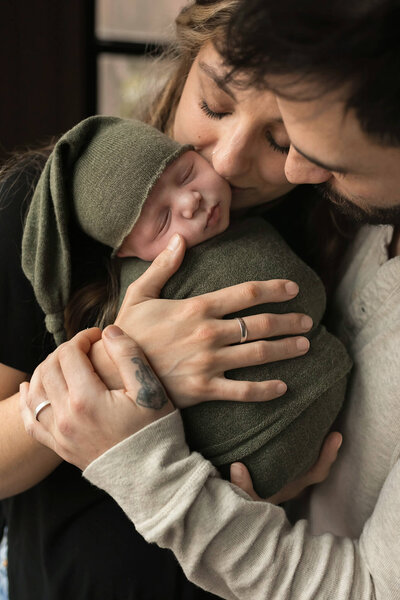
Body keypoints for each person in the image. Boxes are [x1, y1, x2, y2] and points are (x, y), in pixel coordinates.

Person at [20, 0, 400, 598]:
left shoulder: (339, 222)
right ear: (188, 60)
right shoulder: (69, 207)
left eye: (283, 140)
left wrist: (265, 495)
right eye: (214, 105)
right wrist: (127, 362)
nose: (224, 162)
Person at [22, 114, 350, 497]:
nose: (191, 201)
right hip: (234, 464)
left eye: (187, 173)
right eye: (163, 221)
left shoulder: (255, 223)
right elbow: (308, 296)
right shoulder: (144, 297)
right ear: (129, 252)